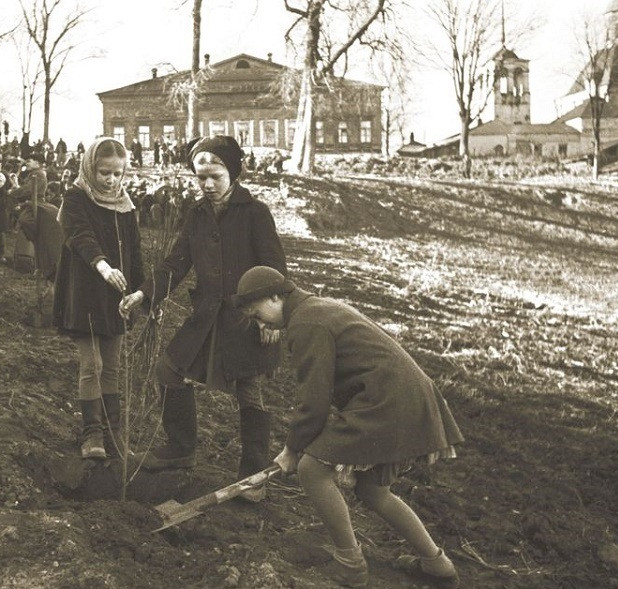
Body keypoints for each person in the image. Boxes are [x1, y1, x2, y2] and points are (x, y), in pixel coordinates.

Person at [231, 266, 464, 589]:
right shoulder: (315, 309)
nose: (262, 324)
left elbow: (314, 401)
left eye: (259, 314)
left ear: (275, 295)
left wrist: (291, 450)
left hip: (387, 401)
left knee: (311, 469)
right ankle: (437, 564)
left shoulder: (307, 323)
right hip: (405, 397)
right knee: (373, 490)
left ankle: (350, 566)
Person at [119, 135, 286, 492]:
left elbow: (275, 266)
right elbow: (176, 263)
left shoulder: (255, 212)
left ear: (233, 175)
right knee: (168, 370)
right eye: (201, 177)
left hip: (248, 319)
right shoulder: (196, 215)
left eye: (216, 177)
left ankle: (253, 475)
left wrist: (274, 318)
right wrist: (144, 294)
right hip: (208, 316)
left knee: (250, 392)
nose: (208, 185)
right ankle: (181, 448)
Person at [53, 137, 144, 459]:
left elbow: (134, 252)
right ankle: (92, 435)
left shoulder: (125, 204)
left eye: (117, 173)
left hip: (116, 296)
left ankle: (114, 434)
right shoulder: (76, 197)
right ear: (92, 168)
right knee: (92, 365)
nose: (111, 180)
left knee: (113, 367)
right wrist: (103, 266)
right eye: (105, 172)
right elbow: (80, 235)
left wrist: (141, 293)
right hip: (86, 292)